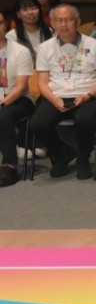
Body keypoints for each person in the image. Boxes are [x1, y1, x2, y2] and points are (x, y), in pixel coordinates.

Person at [31, 4, 96, 179]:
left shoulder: (93, 44)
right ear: (52, 23)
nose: (64, 24)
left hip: (87, 95)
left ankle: (83, 157)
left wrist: (88, 95)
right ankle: (62, 152)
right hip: (57, 96)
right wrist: (53, 99)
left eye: (68, 20)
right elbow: (42, 82)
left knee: (84, 119)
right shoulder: (45, 47)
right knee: (37, 123)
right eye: (59, 21)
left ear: (78, 22)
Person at [0, 18, 35, 186]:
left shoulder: (20, 51)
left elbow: (21, 87)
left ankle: (10, 166)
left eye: (0, 23)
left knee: (4, 116)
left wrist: (2, 103)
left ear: (5, 25)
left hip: (19, 99)